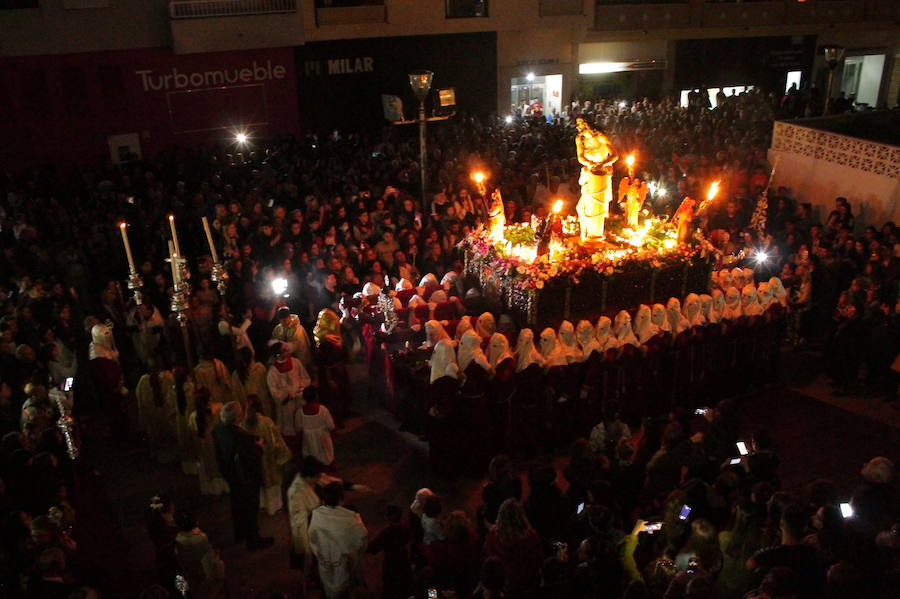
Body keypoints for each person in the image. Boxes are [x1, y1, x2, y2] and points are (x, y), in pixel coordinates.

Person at [211, 401, 273, 550]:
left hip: (231, 475)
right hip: (247, 478)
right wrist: (258, 447)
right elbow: (251, 455)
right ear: (238, 418)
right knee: (251, 508)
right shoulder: (240, 436)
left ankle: (239, 534)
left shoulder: (218, 430)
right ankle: (253, 540)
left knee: (237, 506)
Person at [308, 481, 368, 599]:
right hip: (345, 564)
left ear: (323, 500)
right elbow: (361, 540)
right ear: (341, 500)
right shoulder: (351, 519)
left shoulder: (315, 516)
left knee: (330, 586)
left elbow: (313, 539)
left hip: (325, 564)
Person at [240, 394, 291, 515]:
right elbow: (276, 442)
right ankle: (274, 506)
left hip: (254, 460)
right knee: (271, 480)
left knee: (260, 482)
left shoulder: (242, 424)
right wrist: (283, 454)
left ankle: (263, 505)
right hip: (268, 459)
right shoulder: (266, 422)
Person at [482, 498, 543, 595]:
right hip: (525, 584)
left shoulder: (492, 535)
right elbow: (537, 560)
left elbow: (487, 557)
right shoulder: (531, 536)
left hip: (501, 585)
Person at [266, 341, 311, 456]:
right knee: (290, 428)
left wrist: (301, 387)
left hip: (299, 401)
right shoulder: (273, 371)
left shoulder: (296, 362)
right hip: (286, 405)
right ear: (278, 354)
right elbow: (274, 390)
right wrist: (287, 395)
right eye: (283, 350)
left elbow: (305, 378)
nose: (287, 351)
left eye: (286, 349)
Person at [173, 510, 224, 599]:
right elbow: (208, 563)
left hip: (188, 577)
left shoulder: (178, 539)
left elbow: (179, 559)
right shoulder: (201, 538)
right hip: (203, 578)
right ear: (195, 522)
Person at [366, 505, 411, 599]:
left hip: (391, 562)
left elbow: (373, 547)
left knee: (391, 588)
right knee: (404, 588)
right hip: (403, 560)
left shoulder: (387, 532)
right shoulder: (405, 528)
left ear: (389, 517)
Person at [299, 385, 336, 467]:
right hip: (322, 438)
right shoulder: (323, 410)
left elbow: (298, 427)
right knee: (325, 456)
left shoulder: (300, 412)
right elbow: (331, 426)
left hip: (308, 440)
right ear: (316, 396)